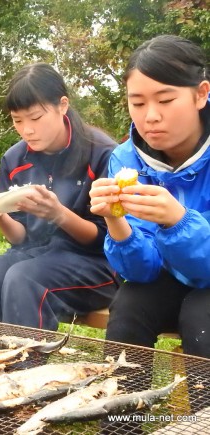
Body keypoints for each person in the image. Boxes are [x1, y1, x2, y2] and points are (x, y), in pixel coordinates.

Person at [0, 63, 118, 331]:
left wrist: (59, 215)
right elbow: (21, 239)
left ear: (62, 105)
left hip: (98, 264)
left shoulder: (102, 153)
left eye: (35, 118)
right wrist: (0, 214)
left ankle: (25, 369)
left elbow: (108, 240)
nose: (26, 130)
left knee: (25, 279)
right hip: (37, 253)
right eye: (17, 120)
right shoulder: (15, 159)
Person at [89, 35, 210, 359]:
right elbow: (142, 272)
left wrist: (178, 221)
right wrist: (115, 221)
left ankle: (202, 412)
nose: (150, 116)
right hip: (170, 275)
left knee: (201, 317)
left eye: (166, 100)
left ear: (201, 95)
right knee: (129, 306)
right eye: (138, 103)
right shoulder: (125, 159)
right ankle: (122, 408)